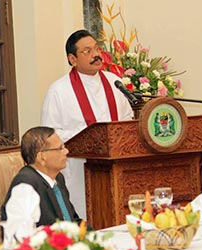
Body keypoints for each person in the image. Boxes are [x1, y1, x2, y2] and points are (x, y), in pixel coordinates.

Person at [41, 29, 134, 219]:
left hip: (117, 169)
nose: (96, 55)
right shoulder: (58, 91)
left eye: (96, 48)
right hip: (78, 170)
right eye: (87, 51)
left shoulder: (115, 82)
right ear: (72, 59)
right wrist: (89, 136)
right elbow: (49, 136)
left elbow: (128, 120)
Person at [1, 126, 83, 227]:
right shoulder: (25, 184)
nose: (66, 151)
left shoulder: (58, 178)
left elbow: (72, 220)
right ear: (42, 157)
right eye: (60, 148)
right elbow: (21, 234)